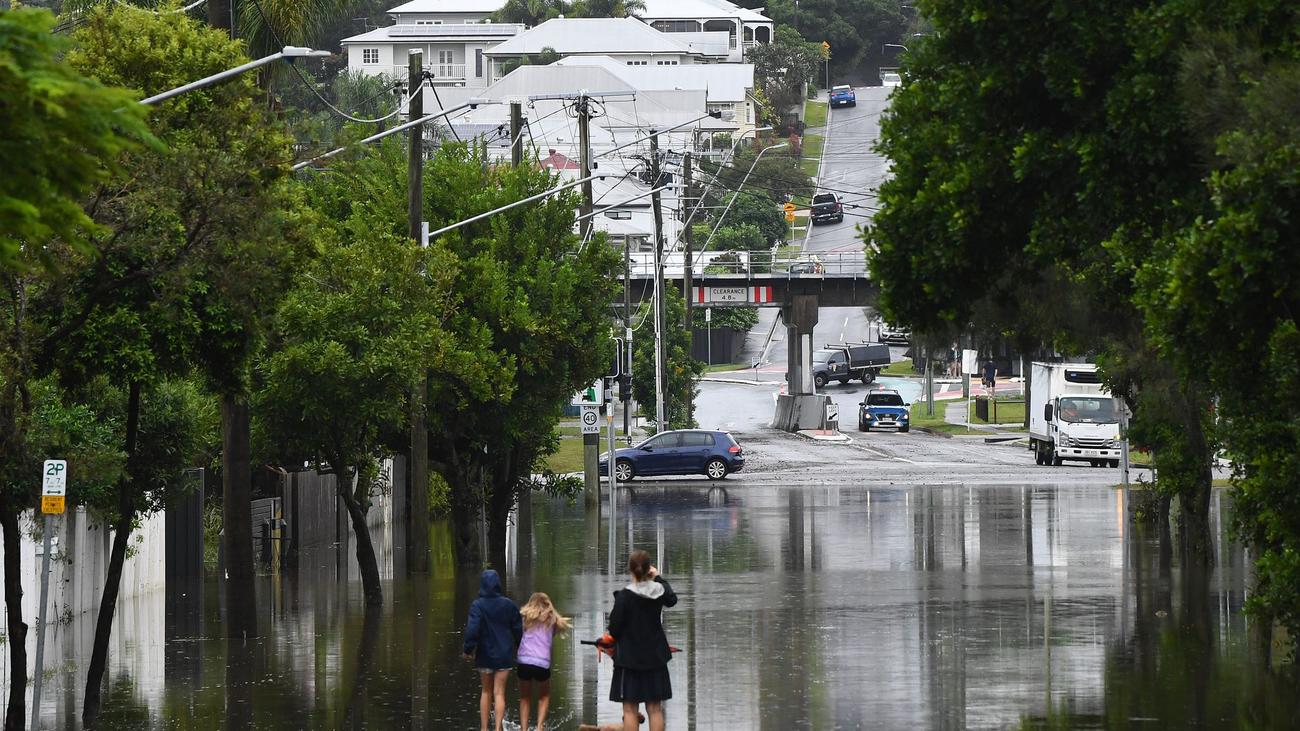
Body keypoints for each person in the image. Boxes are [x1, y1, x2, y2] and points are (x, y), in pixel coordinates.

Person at [607, 550, 677, 731]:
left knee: (630, 709)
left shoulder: (624, 597)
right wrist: (658, 578)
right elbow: (672, 599)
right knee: (654, 709)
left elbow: (614, 629)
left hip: (629, 660)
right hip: (655, 657)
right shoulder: (659, 591)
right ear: (649, 569)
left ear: (630, 570)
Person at [463, 569, 522, 731]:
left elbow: (472, 630)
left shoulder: (477, 605)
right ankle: (497, 728)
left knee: (486, 691)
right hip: (504, 654)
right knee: (499, 692)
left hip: (485, 654)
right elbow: (518, 629)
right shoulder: (509, 605)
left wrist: (468, 649)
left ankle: (484, 728)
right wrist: (521, 647)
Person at [517, 592, 571, 731]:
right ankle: (540, 726)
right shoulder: (552, 619)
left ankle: (523, 728)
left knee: (525, 698)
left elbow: (519, 633)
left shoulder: (525, 618)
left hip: (524, 661)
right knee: (544, 696)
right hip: (542, 663)